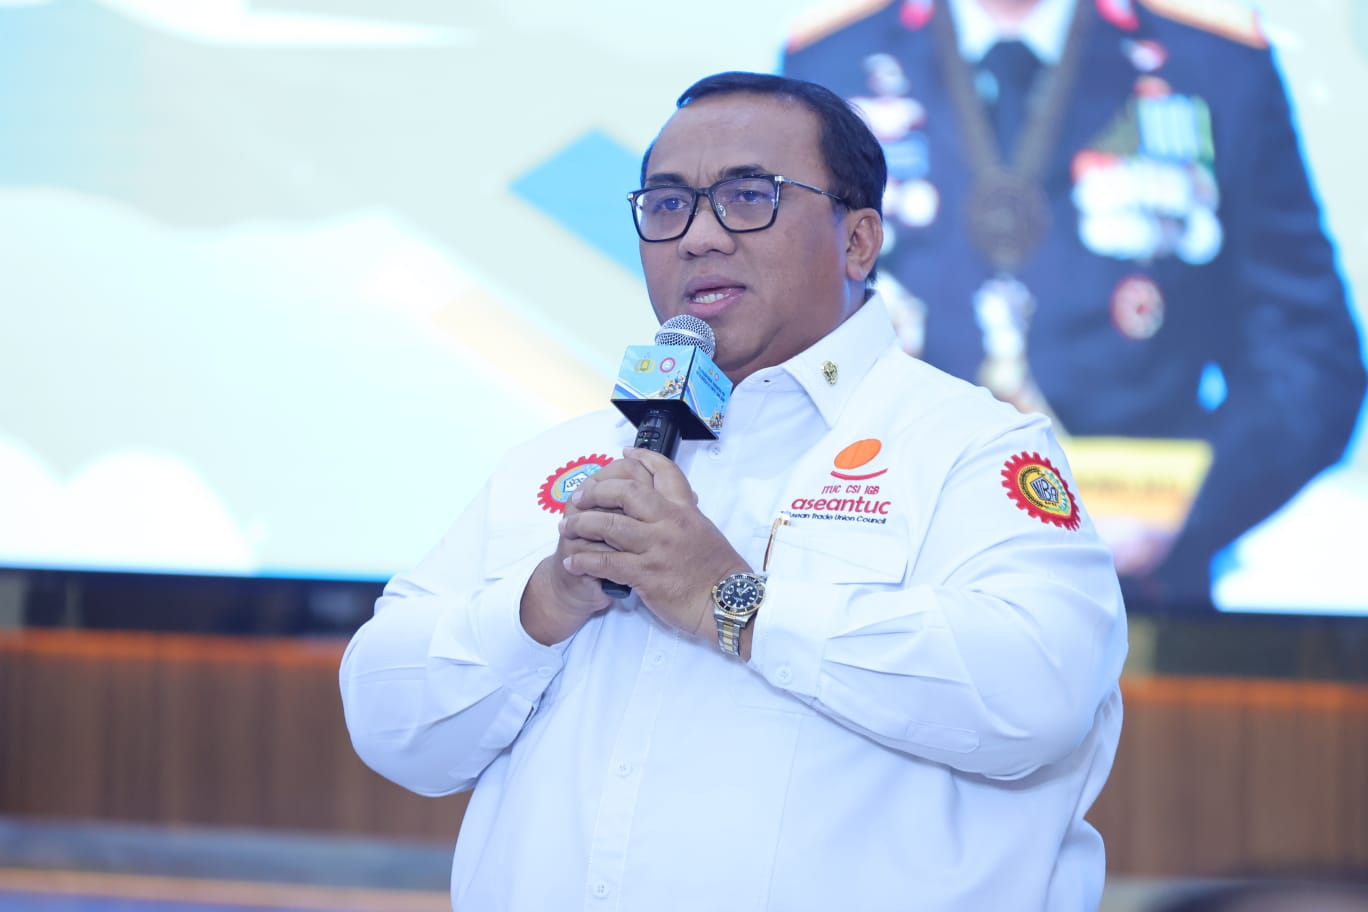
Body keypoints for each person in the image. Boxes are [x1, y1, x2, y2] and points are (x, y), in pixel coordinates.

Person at [340, 71, 1128, 911]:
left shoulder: (968, 444)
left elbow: (1038, 692)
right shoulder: (562, 458)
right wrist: (544, 602)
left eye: (749, 197)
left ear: (859, 241)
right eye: (668, 205)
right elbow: (389, 719)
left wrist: (731, 600)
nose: (699, 237)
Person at [782, 0, 1367, 612]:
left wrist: (1183, 510)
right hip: (881, 589)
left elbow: (1310, 360)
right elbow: (782, 341)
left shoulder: (1212, 63)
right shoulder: (831, 64)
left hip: (1136, 601)